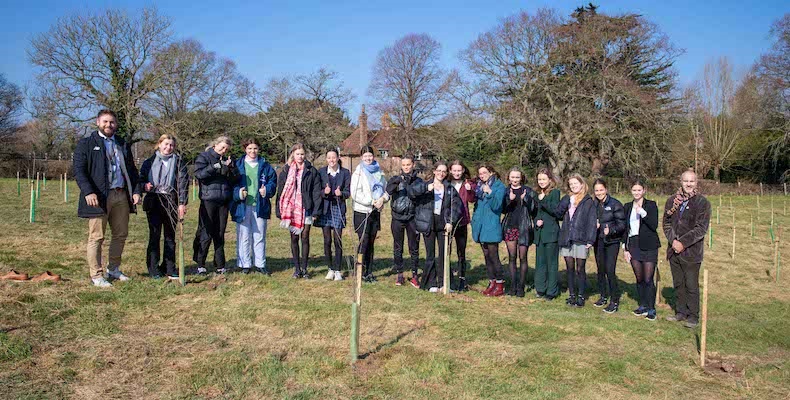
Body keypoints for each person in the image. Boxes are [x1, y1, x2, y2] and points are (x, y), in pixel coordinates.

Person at [73, 110, 140, 287]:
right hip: (99, 197)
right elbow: (79, 171)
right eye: (105, 122)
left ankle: (114, 269)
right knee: (97, 236)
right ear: (97, 122)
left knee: (120, 234)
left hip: (121, 195)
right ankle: (96, 275)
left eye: (112, 122)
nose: (108, 125)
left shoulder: (122, 144)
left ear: (116, 124)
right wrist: (88, 192)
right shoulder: (86, 144)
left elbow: (132, 171)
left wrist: (136, 191)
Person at [662, 170, 711, 328]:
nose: (688, 184)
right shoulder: (672, 202)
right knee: (678, 283)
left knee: (691, 285)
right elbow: (666, 224)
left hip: (691, 252)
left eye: (692, 181)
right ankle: (680, 312)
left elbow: (701, 229)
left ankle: (693, 316)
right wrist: (673, 241)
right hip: (674, 250)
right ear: (680, 182)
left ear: (696, 183)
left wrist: (682, 242)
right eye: (685, 181)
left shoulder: (702, 203)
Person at [137, 134, 189, 280]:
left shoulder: (179, 163)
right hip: (154, 200)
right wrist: (144, 186)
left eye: (171, 145)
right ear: (159, 144)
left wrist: (182, 203)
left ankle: (169, 267)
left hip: (171, 201)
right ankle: (153, 268)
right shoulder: (149, 162)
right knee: (154, 236)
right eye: (165, 144)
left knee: (170, 236)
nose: (168, 147)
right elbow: (140, 180)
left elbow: (183, 184)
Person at [409, 161, 462, 292]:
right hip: (428, 223)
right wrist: (426, 189)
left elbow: (456, 207)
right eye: (439, 171)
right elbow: (411, 193)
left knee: (444, 254)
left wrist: (451, 221)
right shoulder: (425, 185)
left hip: (443, 224)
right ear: (434, 171)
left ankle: (445, 283)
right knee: (430, 255)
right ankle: (431, 283)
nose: (441, 173)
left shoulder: (449, 188)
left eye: (444, 171)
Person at [231, 138, 278, 275]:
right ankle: (244, 264)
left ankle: (260, 263)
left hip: (260, 205)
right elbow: (231, 184)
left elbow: (272, 182)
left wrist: (267, 190)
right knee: (243, 235)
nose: (253, 151)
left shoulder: (265, 165)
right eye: (250, 148)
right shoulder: (238, 165)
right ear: (245, 149)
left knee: (259, 235)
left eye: (255, 148)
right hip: (242, 205)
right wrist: (238, 193)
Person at [276, 143, 323, 279]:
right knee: (294, 237)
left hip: (306, 208)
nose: (300, 157)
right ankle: (296, 268)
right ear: (293, 155)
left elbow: (316, 192)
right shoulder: (285, 171)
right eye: (297, 154)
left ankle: (305, 267)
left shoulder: (311, 171)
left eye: (302, 154)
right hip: (291, 209)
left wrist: (316, 212)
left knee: (305, 237)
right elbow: (281, 192)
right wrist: (279, 211)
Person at [194, 136, 237, 274]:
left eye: (226, 149)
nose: (223, 151)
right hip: (208, 199)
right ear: (215, 145)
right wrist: (213, 167)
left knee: (220, 232)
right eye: (222, 147)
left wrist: (231, 168)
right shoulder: (204, 157)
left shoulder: (227, 159)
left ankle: (220, 264)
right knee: (206, 232)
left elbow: (235, 178)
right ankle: (201, 263)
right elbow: (199, 175)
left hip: (223, 200)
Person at [556, 174, 597, 307]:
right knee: (569, 268)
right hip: (567, 237)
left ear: (582, 184)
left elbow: (591, 221)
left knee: (580, 268)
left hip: (581, 238)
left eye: (575, 183)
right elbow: (558, 213)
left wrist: (590, 239)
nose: (573, 186)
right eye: (571, 184)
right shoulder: (568, 198)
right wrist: (567, 201)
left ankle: (581, 295)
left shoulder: (588, 201)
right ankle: (572, 294)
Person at [623, 179, 661, 320]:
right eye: (634, 190)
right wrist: (624, 248)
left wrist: (643, 212)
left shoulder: (650, 205)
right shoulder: (627, 207)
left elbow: (654, 225)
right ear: (631, 191)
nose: (637, 192)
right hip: (633, 245)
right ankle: (643, 305)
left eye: (639, 190)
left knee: (648, 278)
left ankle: (651, 309)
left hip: (649, 245)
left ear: (644, 190)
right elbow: (625, 229)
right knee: (639, 278)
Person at [350, 145, 390, 282]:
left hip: (374, 212)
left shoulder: (379, 172)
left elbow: (385, 189)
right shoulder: (358, 173)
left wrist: (382, 200)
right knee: (364, 241)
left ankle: (369, 271)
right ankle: (360, 270)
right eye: (365, 155)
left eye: (370, 155)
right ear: (361, 157)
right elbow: (355, 194)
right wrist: (371, 201)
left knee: (372, 242)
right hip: (362, 211)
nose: (368, 158)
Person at [471, 164, 506, 297]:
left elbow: (497, 205)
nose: (482, 175)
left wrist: (490, 193)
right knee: (486, 256)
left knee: (493, 256)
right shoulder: (479, 186)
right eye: (480, 173)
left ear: (491, 172)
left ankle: (500, 283)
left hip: (491, 225)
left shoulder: (498, 186)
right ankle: (491, 282)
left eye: (484, 172)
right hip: (480, 225)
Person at [591, 178, 626, 313]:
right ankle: (603, 296)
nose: (599, 193)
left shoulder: (615, 204)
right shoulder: (594, 204)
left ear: (606, 189)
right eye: (596, 190)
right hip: (598, 241)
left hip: (612, 241)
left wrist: (610, 230)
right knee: (600, 270)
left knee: (610, 270)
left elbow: (622, 224)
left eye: (601, 190)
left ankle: (614, 300)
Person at [501, 167, 537, 297]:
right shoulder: (506, 191)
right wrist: (509, 199)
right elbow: (503, 210)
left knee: (523, 258)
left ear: (521, 178)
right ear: (509, 178)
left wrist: (526, 199)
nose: (515, 179)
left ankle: (521, 287)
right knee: (512, 257)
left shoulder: (528, 190)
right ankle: (512, 286)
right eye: (512, 177)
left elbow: (534, 209)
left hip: (524, 227)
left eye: (517, 177)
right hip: (510, 226)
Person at [316, 149, 351, 281]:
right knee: (327, 241)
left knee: (338, 241)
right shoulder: (321, 172)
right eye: (329, 158)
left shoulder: (345, 173)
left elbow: (348, 192)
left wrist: (341, 193)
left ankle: (338, 270)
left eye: (334, 157)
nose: (331, 160)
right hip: (325, 209)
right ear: (326, 159)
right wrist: (324, 192)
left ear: (338, 158)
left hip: (338, 208)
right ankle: (330, 268)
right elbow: (317, 191)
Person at [386, 155, 420, 286]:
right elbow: (388, 191)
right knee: (398, 246)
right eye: (404, 165)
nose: (406, 167)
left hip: (412, 218)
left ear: (413, 165)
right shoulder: (395, 179)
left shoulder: (418, 181)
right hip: (397, 217)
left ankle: (414, 273)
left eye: (408, 165)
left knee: (414, 247)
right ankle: (400, 273)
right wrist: (397, 181)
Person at [533, 168, 561, 300]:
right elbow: (534, 212)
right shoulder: (536, 193)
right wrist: (536, 221)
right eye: (539, 179)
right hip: (539, 234)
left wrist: (543, 200)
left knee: (552, 263)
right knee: (540, 263)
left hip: (551, 233)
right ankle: (540, 289)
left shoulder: (555, 193)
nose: (541, 182)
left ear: (550, 180)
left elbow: (555, 211)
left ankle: (551, 291)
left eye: (544, 179)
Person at [448, 160, 476, 291]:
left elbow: (471, 200)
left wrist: (470, 191)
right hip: (448, 222)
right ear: (450, 171)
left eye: (459, 170)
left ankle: (462, 279)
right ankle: (447, 278)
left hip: (462, 221)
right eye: (454, 170)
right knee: (446, 251)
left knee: (461, 252)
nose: (457, 173)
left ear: (463, 170)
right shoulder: (447, 183)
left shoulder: (467, 184)